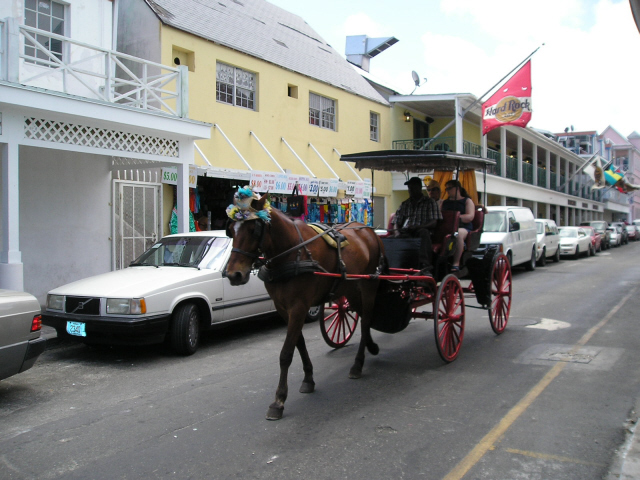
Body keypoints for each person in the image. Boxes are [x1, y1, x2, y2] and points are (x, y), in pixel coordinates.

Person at [393, 177, 442, 272]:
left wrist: (417, 227)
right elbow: (396, 221)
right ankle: (394, 264)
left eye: (412, 188)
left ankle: (425, 265)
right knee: (390, 240)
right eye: (409, 188)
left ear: (419, 188)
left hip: (422, 231)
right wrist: (397, 233)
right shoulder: (405, 204)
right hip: (407, 232)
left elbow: (434, 222)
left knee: (423, 233)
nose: (410, 190)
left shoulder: (430, 202)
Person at [441, 179, 475, 271]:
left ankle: (456, 262)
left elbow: (470, 216)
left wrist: (456, 218)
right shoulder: (444, 202)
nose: (447, 191)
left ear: (458, 188)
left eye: (450, 188)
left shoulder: (467, 201)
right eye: (446, 189)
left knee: (458, 234)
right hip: (446, 227)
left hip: (463, 227)